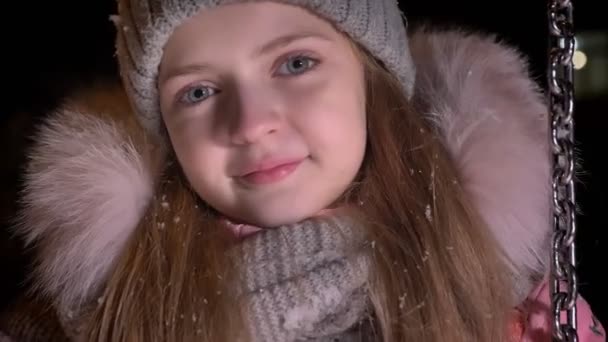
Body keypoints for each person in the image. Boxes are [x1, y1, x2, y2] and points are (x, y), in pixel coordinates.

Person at [1, 1, 604, 341]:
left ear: (373, 81)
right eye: (199, 91)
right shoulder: (98, 314)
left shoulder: (503, 298)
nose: (250, 122)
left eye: (295, 63)